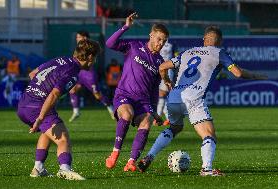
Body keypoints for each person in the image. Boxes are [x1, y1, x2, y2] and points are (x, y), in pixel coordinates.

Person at [138, 26, 267, 176]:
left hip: (174, 97)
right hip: (193, 98)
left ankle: (149, 156)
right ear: (220, 41)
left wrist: (167, 81)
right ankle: (207, 169)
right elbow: (237, 73)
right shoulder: (219, 53)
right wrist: (256, 76)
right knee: (209, 135)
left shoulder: (189, 52)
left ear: (204, 39)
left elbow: (162, 67)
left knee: (175, 128)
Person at [17, 39, 100, 180]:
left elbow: (33, 74)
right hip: (37, 107)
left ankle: (38, 168)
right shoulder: (73, 73)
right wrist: (41, 117)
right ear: (90, 57)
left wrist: (38, 92)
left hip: (24, 104)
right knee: (63, 139)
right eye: (96, 57)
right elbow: (54, 94)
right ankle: (64, 169)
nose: (95, 61)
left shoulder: (61, 59)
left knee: (47, 132)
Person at [105, 13, 168, 172]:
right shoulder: (134, 46)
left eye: (164, 41)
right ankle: (115, 152)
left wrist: (153, 111)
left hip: (143, 102)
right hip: (124, 95)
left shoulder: (160, 62)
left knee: (146, 122)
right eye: (159, 39)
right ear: (151, 35)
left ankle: (131, 161)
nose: (161, 43)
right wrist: (125, 27)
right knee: (127, 114)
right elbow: (110, 43)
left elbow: (154, 89)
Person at [69, 30, 114, 122]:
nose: (77, 39)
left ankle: (112, 109)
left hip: (89, 75)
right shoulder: (78, 47)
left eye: (79, 37)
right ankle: (76, 111)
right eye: (77, 37)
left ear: (85, 37)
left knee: (97, 95)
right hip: (80, 73)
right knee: (72, 90)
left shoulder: (89, 46)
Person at [154, 40, 174, 126]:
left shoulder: (170, 45)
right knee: (161, 96)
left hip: (166, 72)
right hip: (159, 70)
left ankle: (158, 118)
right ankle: (168, 118)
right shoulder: (158, 44)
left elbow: (176, 56)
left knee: (161, 95)